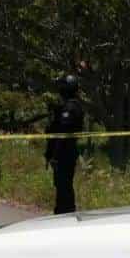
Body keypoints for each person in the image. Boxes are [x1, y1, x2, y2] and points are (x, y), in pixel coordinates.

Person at [45, 74, 85, 214]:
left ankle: (65, 214)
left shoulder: (70, 107)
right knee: (62, 185)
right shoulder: (69, 106)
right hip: (65, 151)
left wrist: (54, 155)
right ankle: (62, 212)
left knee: (64, 185)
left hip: (64, 152)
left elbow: (62, 133)